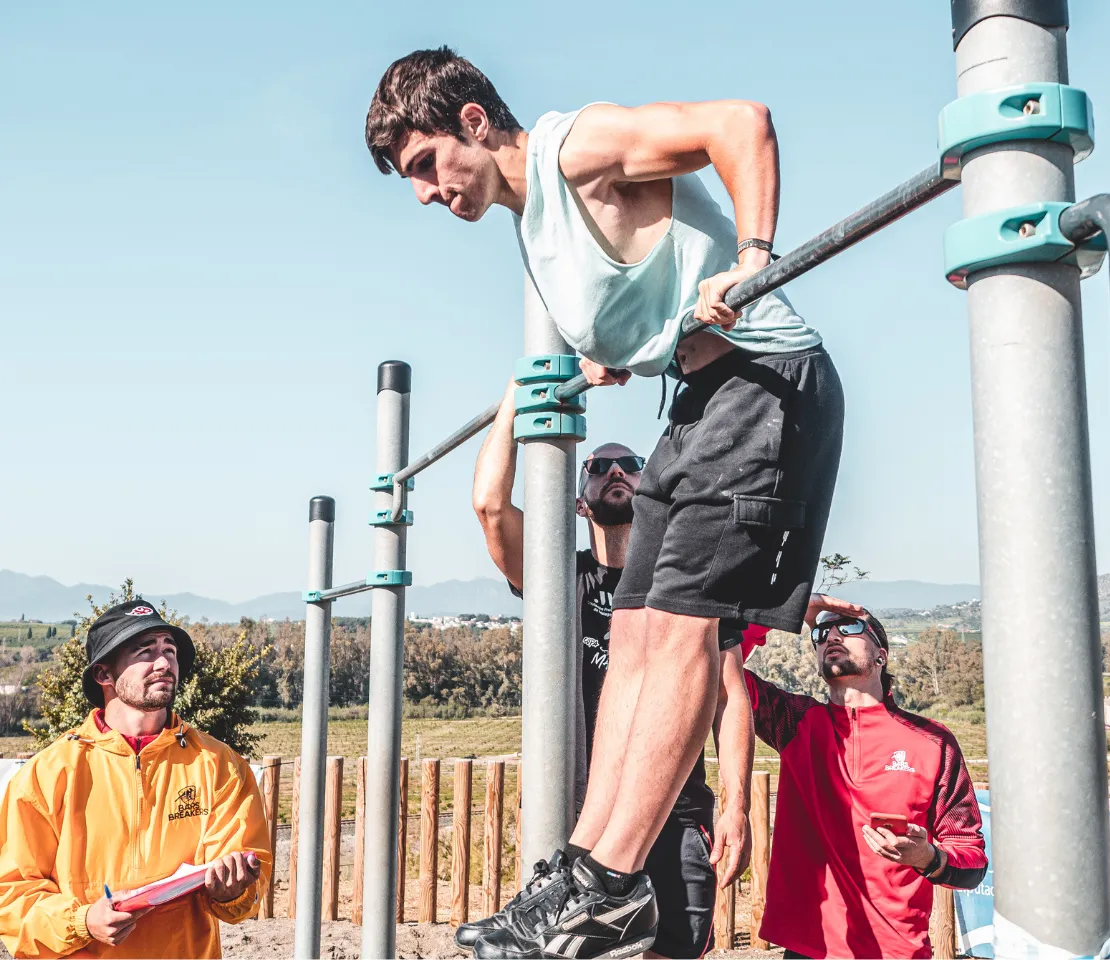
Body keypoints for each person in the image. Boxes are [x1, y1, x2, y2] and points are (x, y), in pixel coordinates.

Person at [366, 47, 844, 957]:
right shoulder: (533, 225)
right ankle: (584, 868)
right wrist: (626, 342)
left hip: (766, 384)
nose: (427, 193)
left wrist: (750, 261)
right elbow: (642, 271)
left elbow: (739, 122)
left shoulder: (572, 150)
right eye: (410, 182)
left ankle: (614, 884)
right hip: (700, 397)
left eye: (426, 165)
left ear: (472, 121)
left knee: (677, 630)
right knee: (629, 626)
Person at [461, 380, 754, 958]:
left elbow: (730, 700)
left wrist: (737, 803)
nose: (616, 472)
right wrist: (517, 398)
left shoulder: (691, 585)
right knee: (566, 950)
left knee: (669, 951)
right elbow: (491, 507)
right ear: (578, 500)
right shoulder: (559, 580)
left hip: (673, 810)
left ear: (650, 489)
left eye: (631, 464)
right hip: (580, 817)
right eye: (598, 466)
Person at [0, 599, 272, 959]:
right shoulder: (47, 774)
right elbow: (12, 894)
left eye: (169, 650)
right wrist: (82, 921)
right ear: (104, 675)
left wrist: (233, 891)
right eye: (145, 652)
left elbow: (245, 890)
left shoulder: (221, 765)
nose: (164, 663)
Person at [745, 596, 988, 959]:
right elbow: (716, 664)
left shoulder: (933, 742)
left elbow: (972, 859)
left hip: (898, 952)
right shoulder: (795, 723)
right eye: (823, 632)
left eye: (851, 627)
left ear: (881, 655)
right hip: (807, 949)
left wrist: (927, 857)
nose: (832, 637)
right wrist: (788, 608)